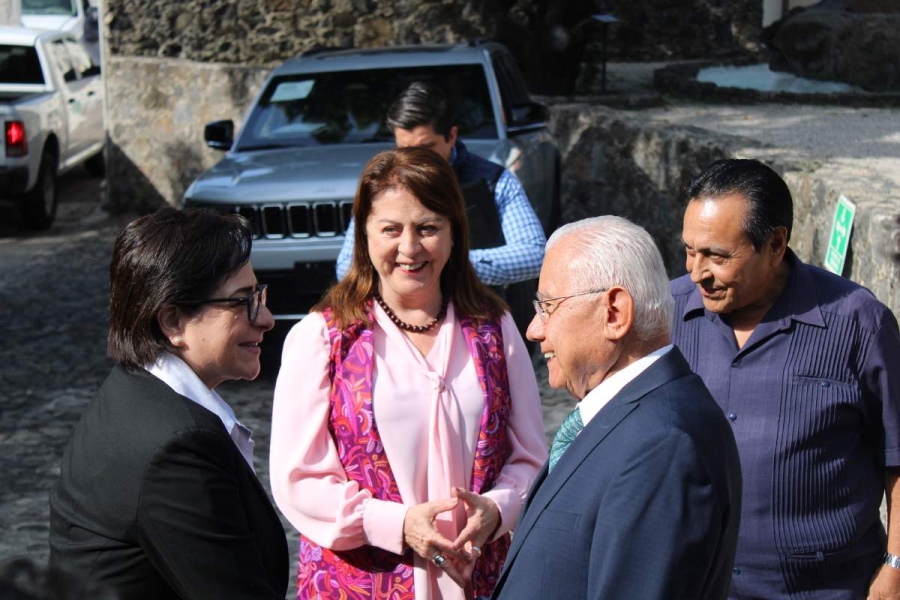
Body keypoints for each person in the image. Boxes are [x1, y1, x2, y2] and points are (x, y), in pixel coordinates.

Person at [270, 146, 547, 599]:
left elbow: (531, 457)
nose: (410, 248)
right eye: (391, 229)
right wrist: (395, 523)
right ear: (364, 236)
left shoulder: (494, 328)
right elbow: (298, 479)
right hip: (360, 584)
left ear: (455, 234)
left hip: (481, 581)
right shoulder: (324, 337)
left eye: (428, 228)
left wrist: (498, 510)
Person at [671, 158, 900, 599]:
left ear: (775, 244)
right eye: (689, 251)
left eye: (717, 256)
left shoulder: (858, 324)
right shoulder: (668, 315)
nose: (697, 272)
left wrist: (895, 568)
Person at [492, 216, 742, 600]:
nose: (534, 329)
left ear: (614, 313)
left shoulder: (663, 446)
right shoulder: (625, 417)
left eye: (548, 306)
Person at [49, 208, 288, 599]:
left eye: (259, 294)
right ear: (173, 322)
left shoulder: (134, 387)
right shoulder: (178, 447)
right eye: (242, 302)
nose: (266, 318)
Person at [335, 81, 546, 287]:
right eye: (405, 149)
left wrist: (442, 263)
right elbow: (347, 266)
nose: (416, 159)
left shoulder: (494, 180)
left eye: (426, 148)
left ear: (451, 136)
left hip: (483, 313)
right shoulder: (381, 184)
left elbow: (534, 254)